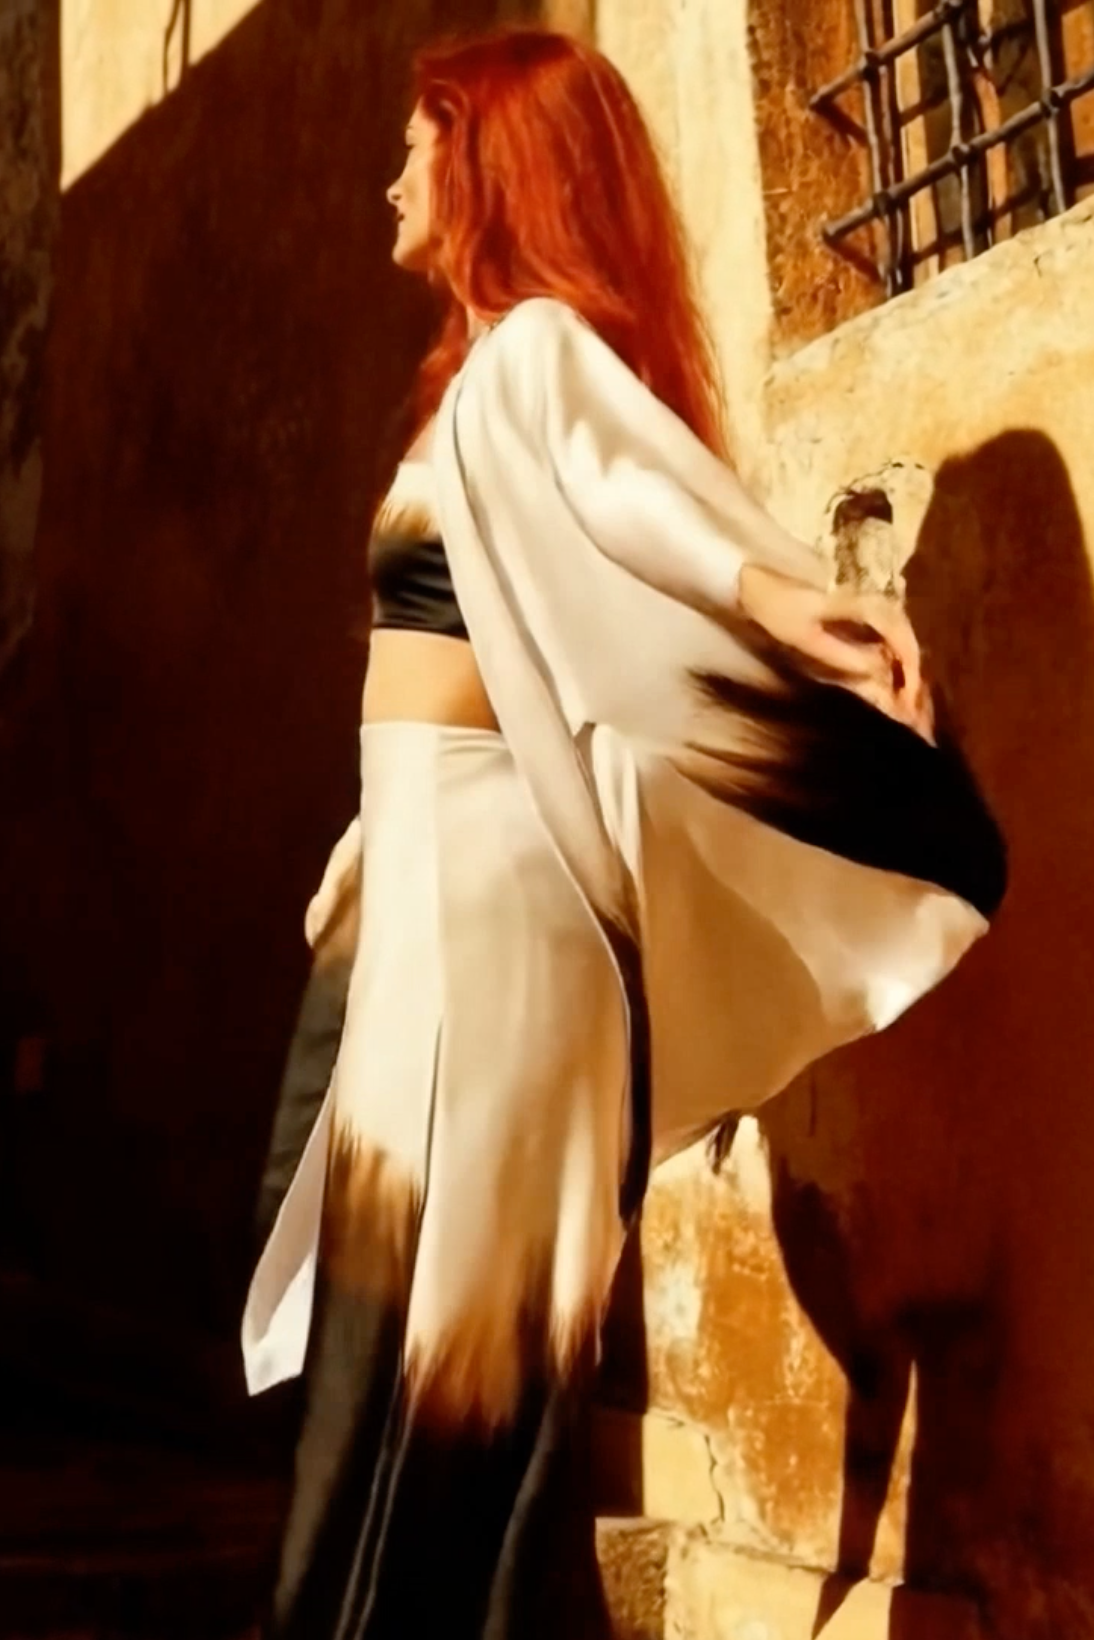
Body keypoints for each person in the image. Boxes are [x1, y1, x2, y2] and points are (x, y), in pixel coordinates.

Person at [242, 25, 1005, 1640]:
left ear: (489, 164)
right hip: (435, 898)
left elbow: (640, 502)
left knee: (456, 1352)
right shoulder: (470, 388)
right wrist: (370, 848)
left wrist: (790, 600)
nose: (390, 172)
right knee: (398, 1336)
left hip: (495, 930)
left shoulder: (532, 355)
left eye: (417, 140)